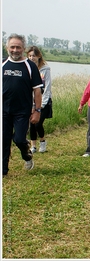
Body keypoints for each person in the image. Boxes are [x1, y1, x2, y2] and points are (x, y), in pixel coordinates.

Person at [2, 34, 42, 176]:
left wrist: (37, 110)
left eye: (18, 47)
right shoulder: (2, 64)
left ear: (23, 48)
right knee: (4, 140)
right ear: (7, 48)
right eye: (12, 47)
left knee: (19, 139)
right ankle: (3, 171)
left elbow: (37, 90)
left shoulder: (30, 66)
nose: (15, 50)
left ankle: (27, 155)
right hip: (4, 111)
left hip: (22, 112)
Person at [27, 46, 53, 153]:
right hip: (31, 101)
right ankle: (33, 146)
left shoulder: (45, 69)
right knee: (32, 123)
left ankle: (42, 141)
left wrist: (43, 103)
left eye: (34, 55)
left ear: (38, 56)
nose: (32, 58)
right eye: (30, 56)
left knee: (38, 123)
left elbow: (47, 87)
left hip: (44, 101)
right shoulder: (27, 68)